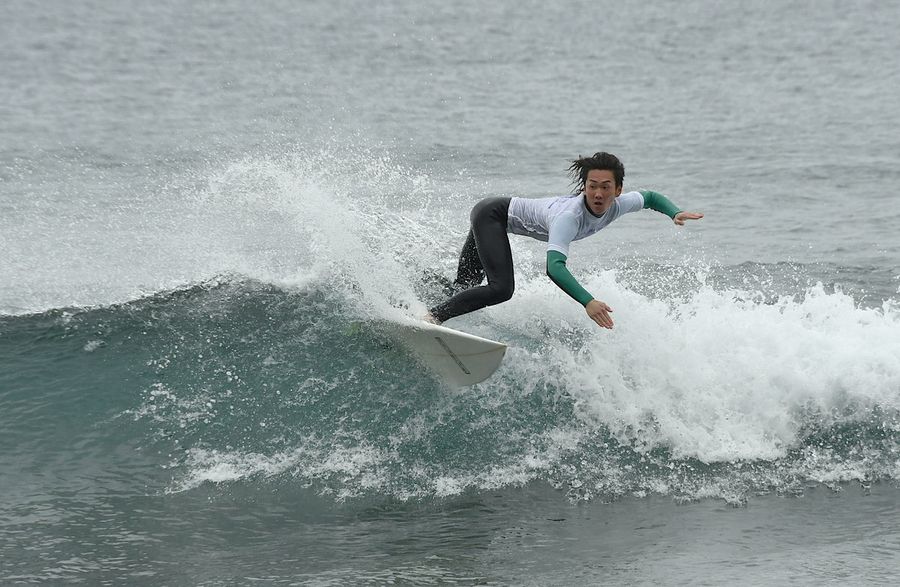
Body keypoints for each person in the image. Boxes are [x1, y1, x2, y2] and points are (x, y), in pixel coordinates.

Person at [426, 152, 703, 329]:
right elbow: (555, 267)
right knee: (501, 289)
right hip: (492, 216)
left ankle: (420, 296)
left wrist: (674, 212)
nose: (597, 193)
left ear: (618, 190)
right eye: (592, 186)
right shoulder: (568, 217)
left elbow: (651, 197)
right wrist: (588, 301)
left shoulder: (619, 204)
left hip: (493, 215)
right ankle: (432, 317)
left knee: (464, 287)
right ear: (585, 187)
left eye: (605, 187)